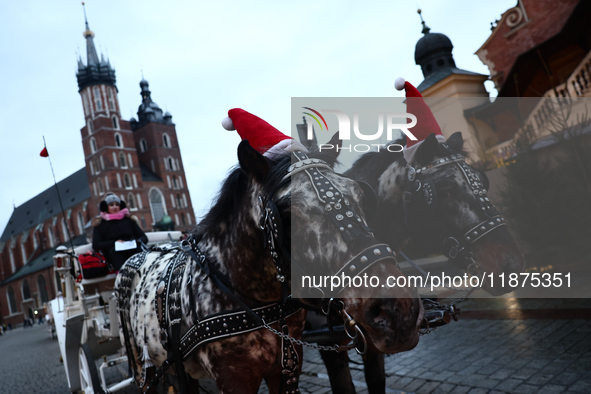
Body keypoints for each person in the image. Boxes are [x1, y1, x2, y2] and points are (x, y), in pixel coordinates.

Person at [92, 194, 148, 271]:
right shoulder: (100, 224)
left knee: (140, 253)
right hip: (114, 252)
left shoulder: (129, 220)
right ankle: (123, 276)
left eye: (117, 204)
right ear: (106, 207)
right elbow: (96, 245)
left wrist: (136, 241)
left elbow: (144, 237)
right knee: (115, 254)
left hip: (132, 249)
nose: (115, 207)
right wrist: (114, 243)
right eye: (111, 205)